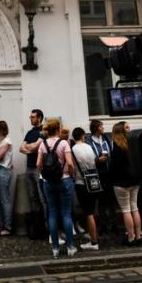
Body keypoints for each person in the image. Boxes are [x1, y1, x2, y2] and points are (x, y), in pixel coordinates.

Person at [37, 117, 77, 258]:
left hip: (48, 183)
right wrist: (70, 174)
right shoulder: (64, 143)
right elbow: (70, 163)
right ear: (58, 129)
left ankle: (55, 248)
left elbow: (38, 164)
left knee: (52, 213)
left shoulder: (42, 144)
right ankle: (71, 247)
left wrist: (45, 175)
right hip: (64, 180)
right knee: (66, 213)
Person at [109, 121, 142, 246]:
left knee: (126, 210)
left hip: (121, 182)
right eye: (127, 127)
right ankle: (138, 236)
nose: (129, 129)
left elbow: (113, 167)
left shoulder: (117, 146)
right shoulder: (134, 144)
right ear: (121, 130)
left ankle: (131, 238)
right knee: (135, 208)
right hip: (135, 180)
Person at [70, 127, 101, 250]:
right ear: (82, 136)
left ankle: (94, 242)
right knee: (93, 211)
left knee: (88, 212)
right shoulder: (88, 147)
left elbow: (71, 166)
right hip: (93, 181)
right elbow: (94, 161)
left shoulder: (73, 149)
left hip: (81, 182)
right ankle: (95, 235)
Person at [18, 109, 48, 235]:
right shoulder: (30, 132)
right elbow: (21, 148)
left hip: (39, 168)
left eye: (33, 117)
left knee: (43, 198)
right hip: (29, 168)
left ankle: (48, 226)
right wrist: (32, 148)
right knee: (33, 197)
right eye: (30, 117)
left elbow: (36, 146)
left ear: (39, 118)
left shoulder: (44, 131)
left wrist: (31, 147)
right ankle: (38, 227)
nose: (31, 119)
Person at [86, 119, 116, 235]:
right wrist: (97, 160)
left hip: (109, 173)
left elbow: (112, 152)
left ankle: (113, 224)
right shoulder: (89, 142)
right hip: (98, 174)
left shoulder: (106, 139)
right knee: (101, 201)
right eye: (101, 126)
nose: (103, 128)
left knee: (111, 200)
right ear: (95, 128)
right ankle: (103, 225)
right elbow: (88, 158)